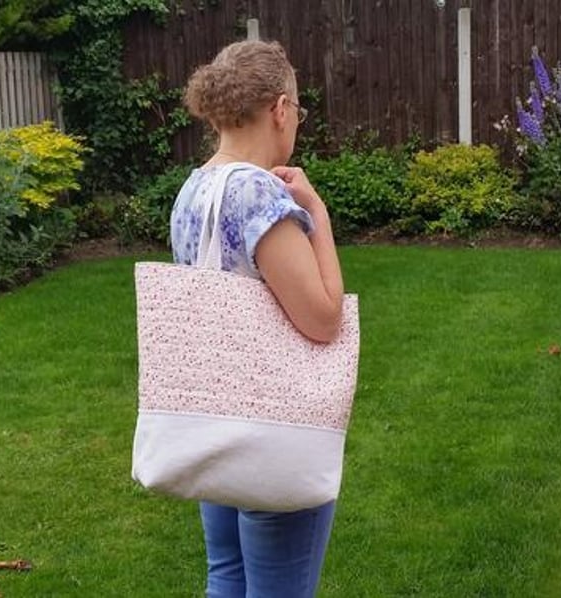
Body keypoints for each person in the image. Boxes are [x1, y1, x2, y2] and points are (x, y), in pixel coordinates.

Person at [170, 40, 346, 597]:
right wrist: (317, 211)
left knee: (226, 577)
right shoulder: (258, 196)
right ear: (279, 109)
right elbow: (323, 318)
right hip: (273, 429)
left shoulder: (193, 189)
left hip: (214, 422)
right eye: (298, 110)